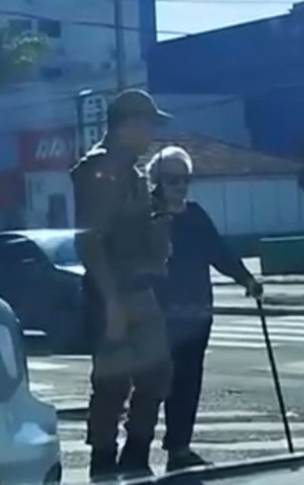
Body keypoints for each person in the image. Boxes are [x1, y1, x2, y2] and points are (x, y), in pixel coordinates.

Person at [71, 89, 174, 480]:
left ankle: (135, 457)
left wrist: (160, 222)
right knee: (113, 383)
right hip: (113, 291)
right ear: (127, 124)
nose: (152, 134)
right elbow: (90, 239)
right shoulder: (100, 168)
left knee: (155, 374)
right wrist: (110, 300)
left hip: (139, 289)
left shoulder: (131, 172)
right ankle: (104, 462)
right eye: (148, 124)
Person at [145, 145, 264, 472]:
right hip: (159, 316)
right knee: (157, 384)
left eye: (184, 179)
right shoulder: (147, 217)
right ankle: (137, 452)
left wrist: (247, 280)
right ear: (155, 182)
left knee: (189, 381)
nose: (180, 186)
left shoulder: (195, 216)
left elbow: (219, 252)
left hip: (197, 314)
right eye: (171, 180)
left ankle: (179, 447)